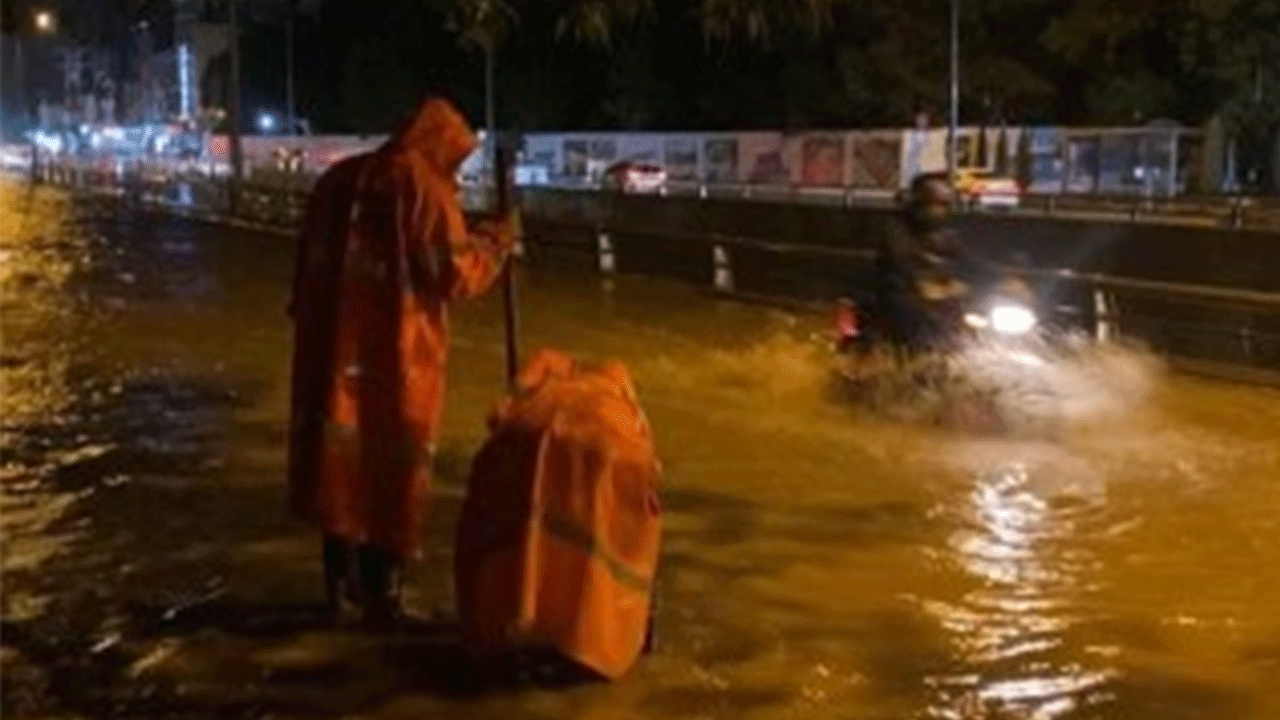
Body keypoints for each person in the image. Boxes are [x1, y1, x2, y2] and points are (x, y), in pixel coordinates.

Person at [286, 97, 520, 627]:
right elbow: (454, 274)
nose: (455, 173)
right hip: (397, 355)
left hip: (331, 349)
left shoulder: (336, 181)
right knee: (392, 468)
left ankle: (336, 594)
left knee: (339, 464)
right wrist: (497, 244)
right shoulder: (424, 188)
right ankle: (382, 602)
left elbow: (304, 269)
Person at [871, 172, 990, 354]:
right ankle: (908, 360)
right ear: (920, 202)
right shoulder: (897, 227)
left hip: (937, 295)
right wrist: (920, 282)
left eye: (944, 204)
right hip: (899, 291)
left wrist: (1006, 276)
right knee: (916, 317)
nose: (939, 210)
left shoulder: (944, 233)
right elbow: (899, 257)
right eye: (934, 203)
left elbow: (969, 259)